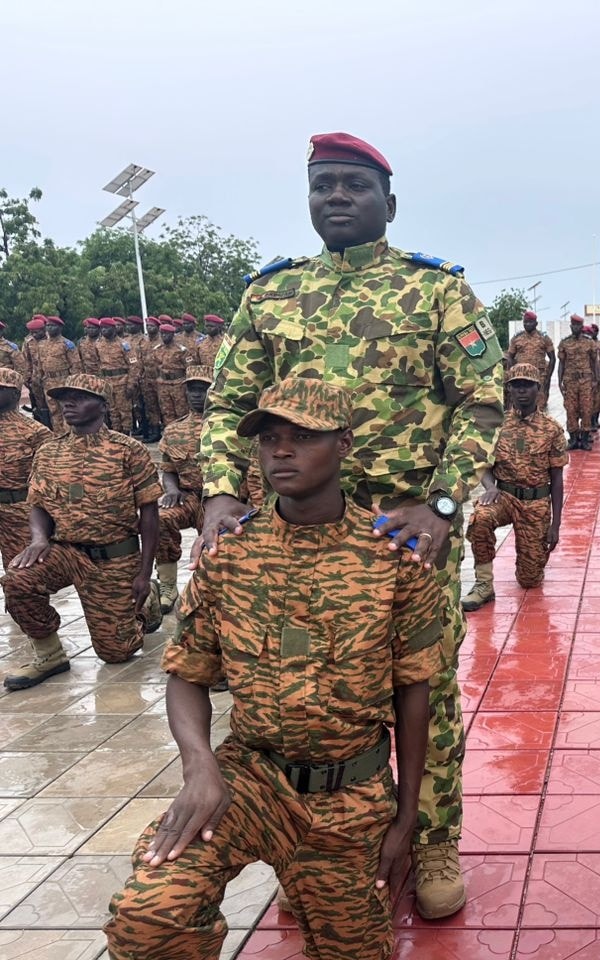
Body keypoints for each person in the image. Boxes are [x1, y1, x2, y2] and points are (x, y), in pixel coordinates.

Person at [197, 132, 503, 919]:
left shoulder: (437, 293)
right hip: (294, 538)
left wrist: (440, 504)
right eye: (322, 185)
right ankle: (319, 844)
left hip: (401, 539)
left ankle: (433, 837)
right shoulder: (270, 294)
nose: (336, 196)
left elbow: (481, 400)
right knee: (303, 691)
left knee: (423, 690)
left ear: (388, 203)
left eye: (354, 185)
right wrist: (221, 492)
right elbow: (230, 403)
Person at [105, 378, 444, 960]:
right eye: (269, 439)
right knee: (148, 919)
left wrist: (407, 815)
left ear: (343, 444)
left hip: (351, 795)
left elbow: (415, 694)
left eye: (302, 437)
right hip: (250, 779)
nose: (280, 452)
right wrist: (199, 765)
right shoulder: (230, 553)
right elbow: (186, 672)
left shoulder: (393, 559)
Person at [1, 373, 161, 690]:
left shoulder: (128, 451)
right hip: (65, 552)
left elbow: (150, 514)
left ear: (102, 406)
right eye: (64, 398)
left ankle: (148, 601)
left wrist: (144, 572)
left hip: (114, 558)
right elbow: (38, 503)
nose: (68, 404)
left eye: (79, 397)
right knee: (16, 579)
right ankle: (50, 655)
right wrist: (38, 539)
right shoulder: (49, 452)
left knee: (116, 653)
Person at [460, 364, 566, 611]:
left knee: (529, 581)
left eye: (527, 385)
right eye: (516, 385)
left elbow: (557, 479)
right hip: (504, 496)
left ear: (537, 389)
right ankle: (483, 584)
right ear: (508, 389)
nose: (521, 391)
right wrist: (489, 486)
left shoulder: (552, 429)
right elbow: (484, 464)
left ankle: (533, 559)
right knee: (481, 517)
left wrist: (556, 525)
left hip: (536, 504)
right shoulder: (498, 425)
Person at [155, 365, 214, 613]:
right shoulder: (174, 430)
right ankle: (168, 586)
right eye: (192, 390)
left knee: (219, 544)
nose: (196, 395)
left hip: (219, 499)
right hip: (189, 496)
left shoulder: (229, 427)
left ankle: (210, 589)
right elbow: (168, 468)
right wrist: (171, 489)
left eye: (202, 389)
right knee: (160, 519)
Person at [0, 367, 53, 567]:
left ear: (15, 394)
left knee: (20, 573)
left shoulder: (35, 432)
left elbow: (49, 480)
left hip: (20, 513)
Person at [558, 314, 598, 450]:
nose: (575, 328)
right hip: (570, 381)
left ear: (581, 327)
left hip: (586, 381)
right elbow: (561, 363)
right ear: (570, 326)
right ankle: (574, 439)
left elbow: (594, 362)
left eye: (578, 325)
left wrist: (596, 380)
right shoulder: (565, 343)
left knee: (587, 409)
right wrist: (559, 380)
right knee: (571, 409)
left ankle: (585, 440)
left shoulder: (589, 343)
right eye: (573, 325)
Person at [34, 315, 81, 433]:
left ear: (60, 328)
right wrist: (37, 380)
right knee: (54, 412)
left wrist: (74, 384)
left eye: (52, 325)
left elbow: (76, 365)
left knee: (67, 410)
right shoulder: (41, 345)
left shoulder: (67, 344)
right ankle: (59, 436)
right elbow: (39, 365)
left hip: (63, 381)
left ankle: (69, 435)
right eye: (48, 325)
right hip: (48, 382)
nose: (49, 328)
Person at [503, 309, 555, 410]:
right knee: (519, 407)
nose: (527, 324)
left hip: (539, 378)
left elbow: (552, 358)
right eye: (525, 322)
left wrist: (548, 377)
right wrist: (511, 374)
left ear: (535, 323)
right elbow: (510, 357)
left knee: (539, 406)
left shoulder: (544, 338)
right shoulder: (517, 338)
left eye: (530, 322)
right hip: (521, 379)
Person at [153, 322, 192, 427]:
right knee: (166, 411)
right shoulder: (157, 349)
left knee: (181, 411)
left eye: (167, 334)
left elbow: (189, 368)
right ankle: (170, 434)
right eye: (162, 334)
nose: (164, 336)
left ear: (172, 335)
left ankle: (183, 432)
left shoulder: (181, 350)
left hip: (178, 384)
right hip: (163, 384)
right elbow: (155, 367)